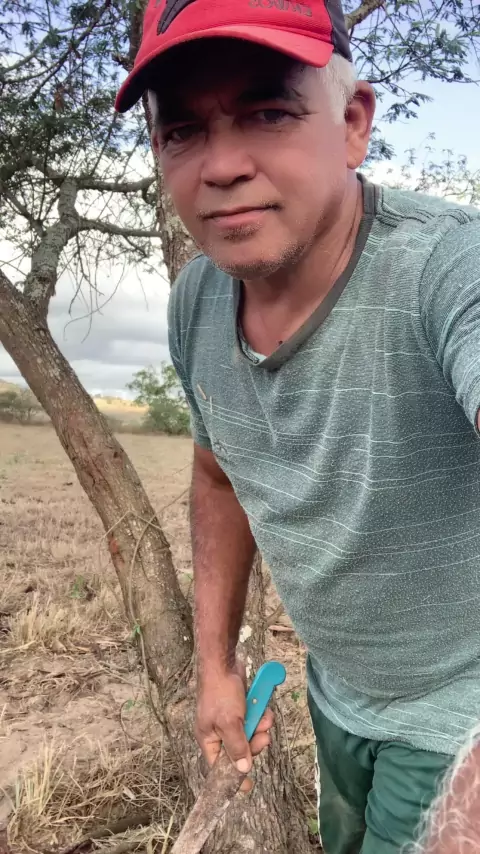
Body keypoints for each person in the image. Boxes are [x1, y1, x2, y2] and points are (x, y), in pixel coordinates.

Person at [115, 1, 480, 851]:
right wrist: (215, 668)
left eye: (269, 112)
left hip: (460, 716)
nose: (222, 166)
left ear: (353, 124)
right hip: (339, 692)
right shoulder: (197, 301)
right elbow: (219, 475)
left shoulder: (447, 267)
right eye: (182, 132)